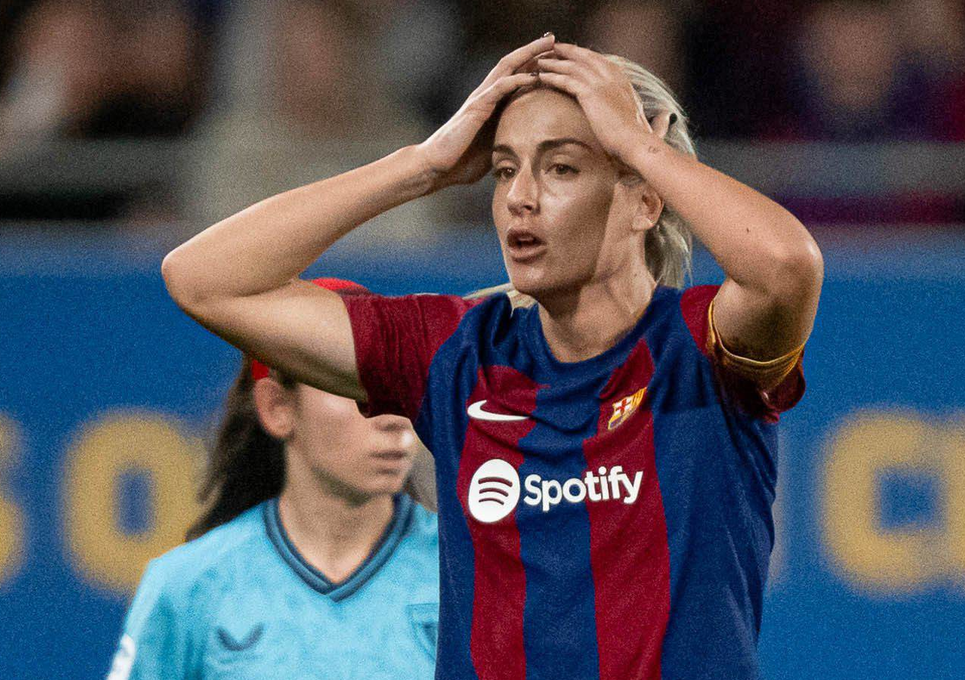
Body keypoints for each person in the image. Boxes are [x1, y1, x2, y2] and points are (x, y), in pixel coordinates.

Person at [161, 33, 823, 680]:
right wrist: (422, 167)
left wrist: (639, 145)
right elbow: (202, 279)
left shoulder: (702, 351)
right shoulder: (456, 352)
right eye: (505, 169)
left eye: (561, 168)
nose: (518, 198)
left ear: (645, 200)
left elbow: (787, 266)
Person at [107, 278, 439, 680]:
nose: (393, 416)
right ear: (277, 407)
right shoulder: (188, 587)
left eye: (398, 385)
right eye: (354, 387)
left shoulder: (471, 575)